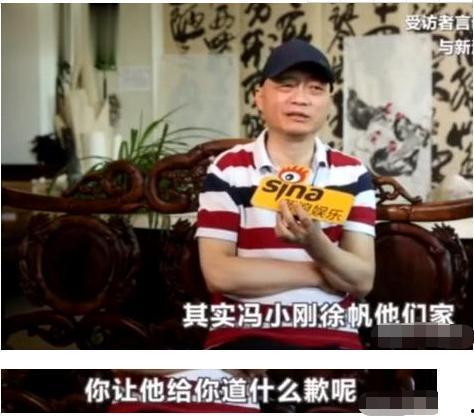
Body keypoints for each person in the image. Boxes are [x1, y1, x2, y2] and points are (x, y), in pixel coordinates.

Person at [196, 39, 376, 349]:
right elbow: (218, 274)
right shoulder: (228, 169)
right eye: (286, 85)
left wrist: (314, 242)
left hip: (330, 338)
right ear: (259, 97)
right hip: (242, 336)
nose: (300, 99)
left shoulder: (352, 173)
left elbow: (361, 280)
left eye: (315, 89)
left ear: (329, 103)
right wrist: (321, 273)